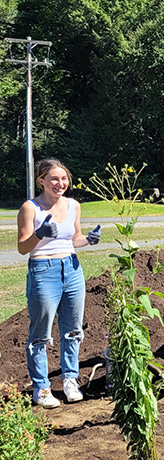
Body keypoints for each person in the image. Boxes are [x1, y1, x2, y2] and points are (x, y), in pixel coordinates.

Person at [17, 159, 101, 408]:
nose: (60, 183)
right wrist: (39, 234)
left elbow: (74, 238)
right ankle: (41, 388)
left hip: (72, 268)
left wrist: (89, 239)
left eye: (64, 179)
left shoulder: (74, 205)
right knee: (41, 334)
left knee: (73, 330)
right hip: (43, 269)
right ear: (41, 180)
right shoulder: (30, 208)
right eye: (54, 179)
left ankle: (70, 381)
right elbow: (22, 247)